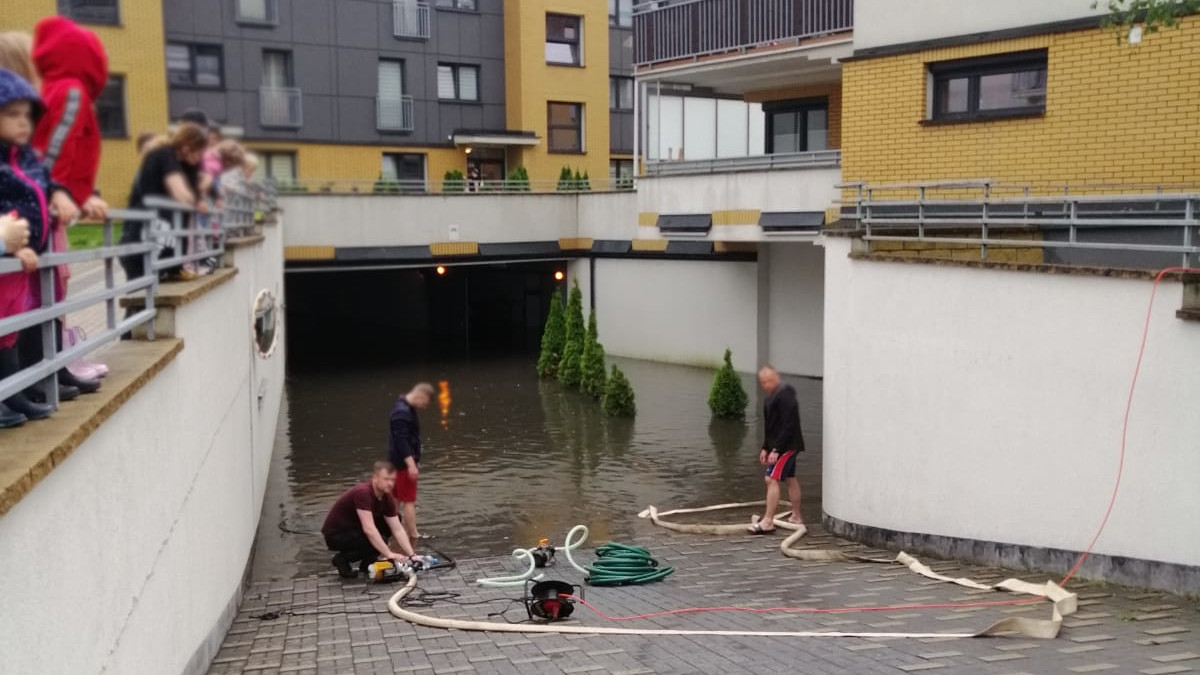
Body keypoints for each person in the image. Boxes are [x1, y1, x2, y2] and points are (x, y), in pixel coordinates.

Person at [25, 16, 110, 397]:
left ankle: (56, 362)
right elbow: (58, 149)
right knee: (50, 283)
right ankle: (51, 365)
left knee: (54, 282)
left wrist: (81, 192)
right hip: (49, 206)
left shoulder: (59, 89)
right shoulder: (72, 91)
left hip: (53, 202)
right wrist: (56, 193)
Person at [0, 67, 79, 422]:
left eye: (27, 116)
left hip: (25, 263)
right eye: (12, 115)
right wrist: (13, 246)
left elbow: (47, 184)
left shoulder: (26, 158)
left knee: (13, 325)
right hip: (11, 257)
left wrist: (61, 195)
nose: (23, 124)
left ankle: (14, 392)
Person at [119, 122, 208, 283]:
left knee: (154, 297)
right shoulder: (164, 154)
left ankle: (175, 267)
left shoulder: (187, 165)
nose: (200, 158)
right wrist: (196, 199)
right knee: (141, 299)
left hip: (165, 250)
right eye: (199, 152)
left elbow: (193, 197)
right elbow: (180, 192)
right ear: (188, 147)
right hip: (141, 241)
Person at [321, 461, 416, 579]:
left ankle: (367, 564)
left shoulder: (387, 498)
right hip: (337, 534)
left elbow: (397, 529)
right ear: (375, 478)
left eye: (393, 480)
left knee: (395, 518)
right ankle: (342, 560)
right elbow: (369, 529)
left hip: (356, 529)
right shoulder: (363, 493)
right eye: (386, 479)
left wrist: (412, 555)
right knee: (377, 538)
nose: (390, 483)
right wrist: (389, 553)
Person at [748, 365, 805, 534]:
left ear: (776, 378)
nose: (766, 385)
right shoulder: (770, 398)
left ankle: (767, 522)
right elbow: (771, 427)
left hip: (787, 446)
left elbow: (789, 424)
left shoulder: (786, 394)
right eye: (763, 382)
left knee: (770, 478)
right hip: (780, 446)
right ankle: (796, 516)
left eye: (769, 381)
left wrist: (776, 450)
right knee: (789, 478)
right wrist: (766, 447)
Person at [388, 382, 434, 541]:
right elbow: (402, 440)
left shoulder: (402, 405)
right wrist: (411, 464)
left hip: (396, 461)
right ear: (420, 396)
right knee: (408, 500)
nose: (424, 407)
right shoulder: (402, 413)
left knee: (396, 497)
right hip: (403, 464)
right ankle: (413, 534)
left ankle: (389, 528)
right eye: (425, 403)